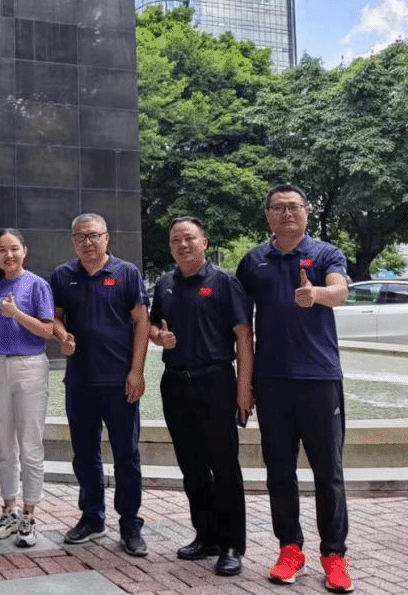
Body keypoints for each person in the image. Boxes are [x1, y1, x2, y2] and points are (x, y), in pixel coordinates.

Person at [236, 183, 353, 593]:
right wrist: (244, 385)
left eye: (294, 206)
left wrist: (315, 293)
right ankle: (290, 549)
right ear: (268, 214)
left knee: (329, 472)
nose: (286, 213)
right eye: (278, 207)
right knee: (280, 472)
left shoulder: (325, 254)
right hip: (273, 382)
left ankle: (334, 556)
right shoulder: (253, 261)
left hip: (319, 379)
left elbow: (340, 291)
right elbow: (240, 325)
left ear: (307, 211)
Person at [149, 217, 253, 576]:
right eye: (175, 240)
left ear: (204, 242)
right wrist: (158, 338)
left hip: (215, 381)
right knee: (191, 466)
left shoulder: (224, 282)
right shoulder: (165, 284)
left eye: (189, 238)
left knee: (224, 467)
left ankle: (232, 545)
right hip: (175, 383)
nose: (182, 245)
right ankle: (206, 535)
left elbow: (244, 336)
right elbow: (153, 325)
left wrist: (243, 389)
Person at [50, 213, 150, 556]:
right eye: (80, 237)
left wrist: (137, 372)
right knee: (85, 454)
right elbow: (56, 318)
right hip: (80, 381)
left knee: (127, 455)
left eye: (94, 235)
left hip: (120, 382)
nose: (87, 242)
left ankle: (130, 523)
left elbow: (141, 322)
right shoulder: (63, 276)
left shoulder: (127, 273)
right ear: (73, 242)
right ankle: (92, 517)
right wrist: (62, 336)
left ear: (107, 238)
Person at [0, 229, 69, 548]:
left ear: (24, 251)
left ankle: (29, 514)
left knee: (30, 445)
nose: (9, 255)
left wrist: (16, 313)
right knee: (4, 446)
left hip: (30, 366)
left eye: (14, 249)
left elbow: (47, 330)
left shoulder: (37, 285)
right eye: (2, 250)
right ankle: (9, 509)